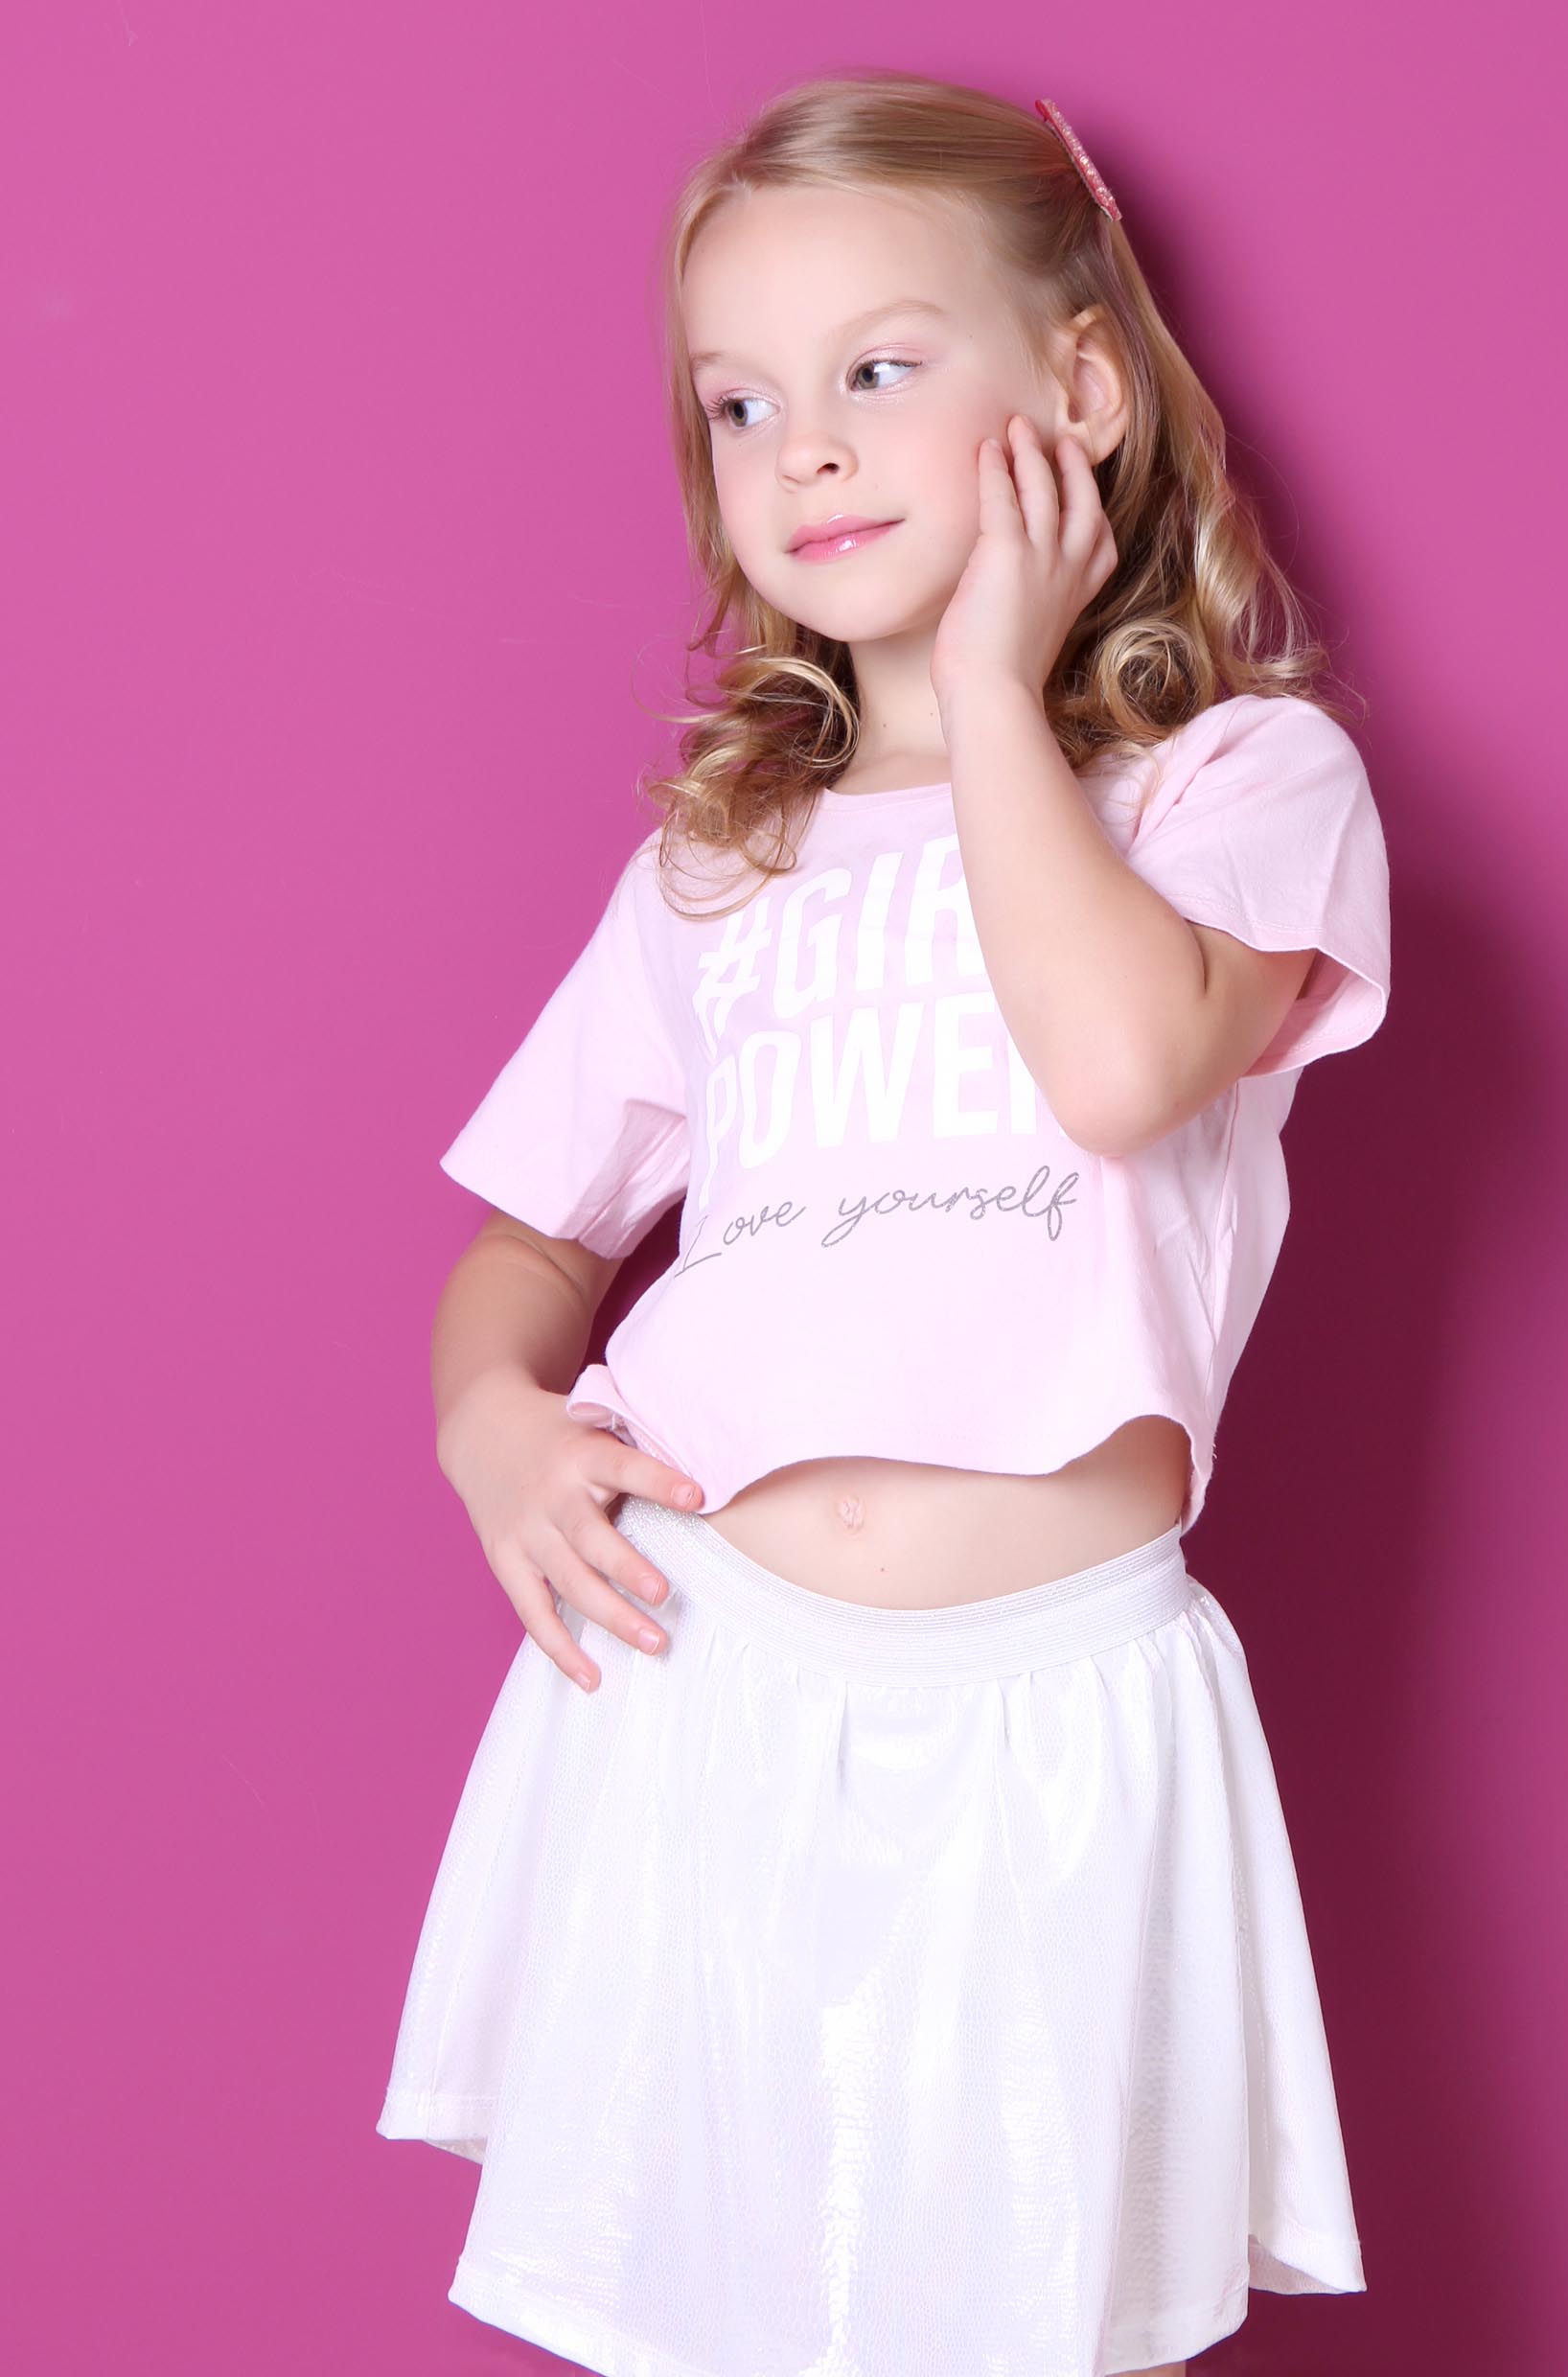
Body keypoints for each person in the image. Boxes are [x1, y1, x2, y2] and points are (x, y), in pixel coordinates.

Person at [377, 67, 1392, 2377]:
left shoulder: (1242, 785)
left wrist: (998, 699)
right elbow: (529, 1247)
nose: (802, 452)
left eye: (876, 369)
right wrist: (488, 1426)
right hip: (698, 1691)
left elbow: (1120, 1065)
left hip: (1049, 1721)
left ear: (1080, 393)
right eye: (739, 402)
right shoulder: (722, 859)